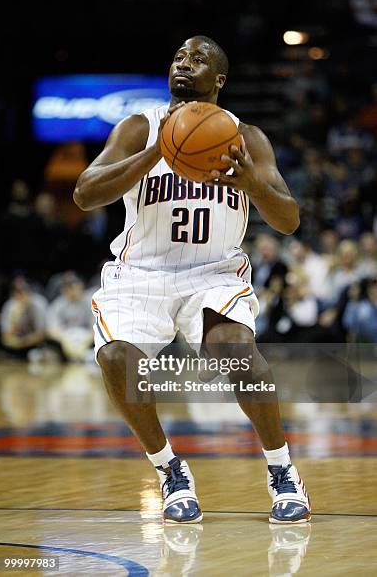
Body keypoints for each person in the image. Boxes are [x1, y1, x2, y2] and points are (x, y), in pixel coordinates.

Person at [73, 35, 310, 525]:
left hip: (213, 271)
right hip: (141, 272)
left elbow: (288, 219)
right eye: (179, 57)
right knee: (117, 358)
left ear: (219, 80)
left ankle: (282, 468)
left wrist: (251, 184)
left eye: (198, 59)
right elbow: (84, 193)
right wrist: (154, 154)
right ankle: (169, 469)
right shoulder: (140, 127)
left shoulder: (248, 139)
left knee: (236, 352)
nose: (184, 64)